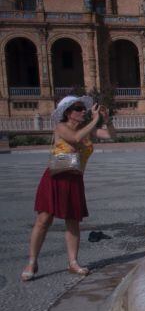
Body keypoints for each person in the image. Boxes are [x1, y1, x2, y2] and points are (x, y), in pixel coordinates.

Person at [22, 95, 116, 281]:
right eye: (78, 108)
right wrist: (95, 120)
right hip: (56, 178)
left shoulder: (86, 129)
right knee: (44, 219)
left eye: (83, 108)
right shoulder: (61, 127)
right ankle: (32, 261)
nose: (83, 111)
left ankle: (73, 262)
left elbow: (111, 136)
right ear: (68, 113)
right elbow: (74, 138)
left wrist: (107, 120)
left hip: (75, 179)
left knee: (73, 220)